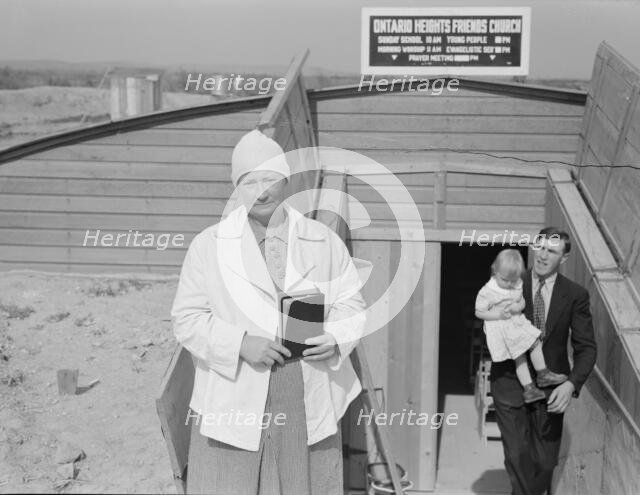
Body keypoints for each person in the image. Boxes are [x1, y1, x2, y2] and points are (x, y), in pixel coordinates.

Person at [171, 129, 366, 495]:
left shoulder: (323, 241)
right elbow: (187, 318)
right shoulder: (208, 246)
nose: (261, 190)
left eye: (269, 179)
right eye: (249, 182)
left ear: (286, 182)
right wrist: (240, 344)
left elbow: (351, 303)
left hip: (303, 388)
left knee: (301, 483)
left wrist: (337, 338)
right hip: (236, 388)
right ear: (236, 188)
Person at [489, 229, 597, 495]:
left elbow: (587, 348)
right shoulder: (509, 282)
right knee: (517, 456)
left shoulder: (575, 295)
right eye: (540, 248)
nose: (543, 255)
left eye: (552, 251)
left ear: (565, 258)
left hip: (551, 389)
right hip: (509, 383)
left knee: (545, 461)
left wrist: (571, 385)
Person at [475, 249, 568, 404]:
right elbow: (479, 312)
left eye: (513, 280)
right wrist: (498, 315)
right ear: (495, 271)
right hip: (503, 327)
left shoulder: (517, 283)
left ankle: (540, 376)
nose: (510, 284)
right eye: (505, 280)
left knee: (534, 342)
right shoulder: (488, 291)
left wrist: (518, 306)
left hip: (517, 322)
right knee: (521, 356)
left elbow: (521, 300)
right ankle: (531, 386)